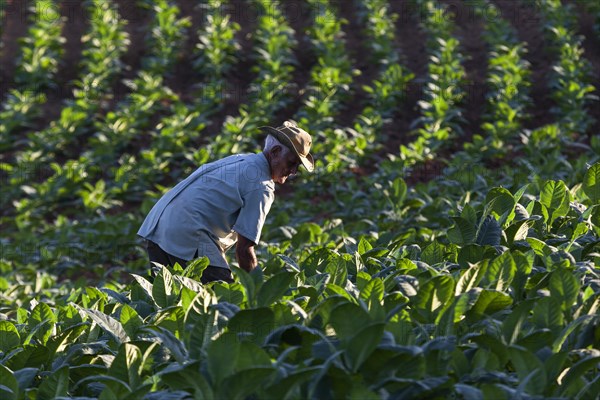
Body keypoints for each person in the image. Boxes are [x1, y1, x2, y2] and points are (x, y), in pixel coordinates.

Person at [137, 120, 314, 283]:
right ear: (275, 152)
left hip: (159, 225)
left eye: (297, 166)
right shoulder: (261, 185)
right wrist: (259, 293)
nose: (293, 171)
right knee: (222, 302)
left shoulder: (240, 159)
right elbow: (244, 251)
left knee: (170, 302)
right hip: (189, 233)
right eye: (292, 163)